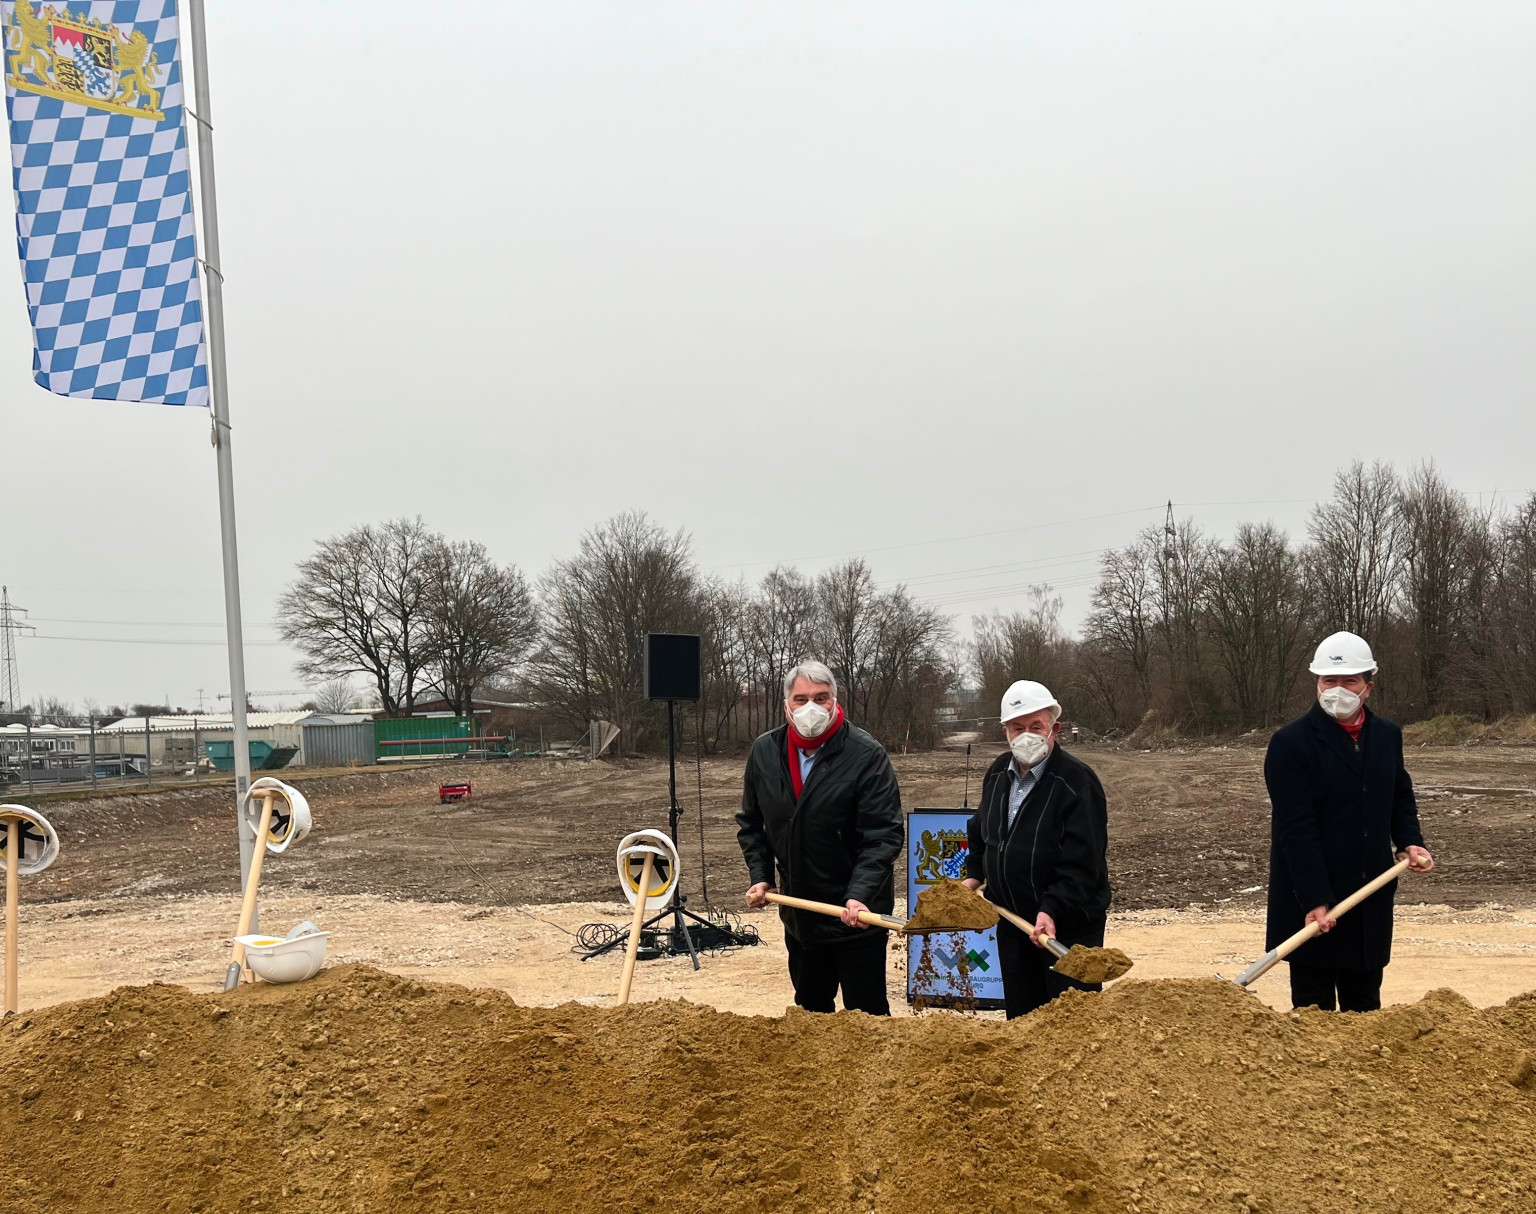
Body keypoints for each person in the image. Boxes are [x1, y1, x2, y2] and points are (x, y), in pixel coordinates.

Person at [1264, 631, 1434, 1013]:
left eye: (1348, 681)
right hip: (1311, 901)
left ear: (1367, 687)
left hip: (1368, 894)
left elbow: (1399, 797)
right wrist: (1315, 898)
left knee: (1365, 1009)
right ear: (1317, 682)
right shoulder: (1291, 743)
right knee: (1314, 1016)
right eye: (1329, 680)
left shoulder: (1387, 736)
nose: (1337, 689)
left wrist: (1410, 840)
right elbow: (1296, 827)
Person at [736, 660, 904, 1014]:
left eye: (821, 697)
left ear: (835, 701)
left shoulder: (865, 754)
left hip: (856, 917)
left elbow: (883, 835)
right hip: (802, 918)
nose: (811, 707)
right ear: (786, 706)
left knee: (867, 1016)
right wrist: (762, 876)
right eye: (801, 699)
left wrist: (859, 895)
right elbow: (752, 825)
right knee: (811, 1015)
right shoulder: (765, 752)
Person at [962, 680, 1111, 1018]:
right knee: (1023, 1022)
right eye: (1018, 728)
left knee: (1071, 1026)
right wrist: (975, 875)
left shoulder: (1077, 782)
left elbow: (1082, 863)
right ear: (1005, 732)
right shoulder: (998, 773)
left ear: (1054, 729)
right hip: (1013, 923)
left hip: (1067, 930)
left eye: (1036, 727)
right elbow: (982, 832)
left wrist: (1052, 908)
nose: (1026, 735)